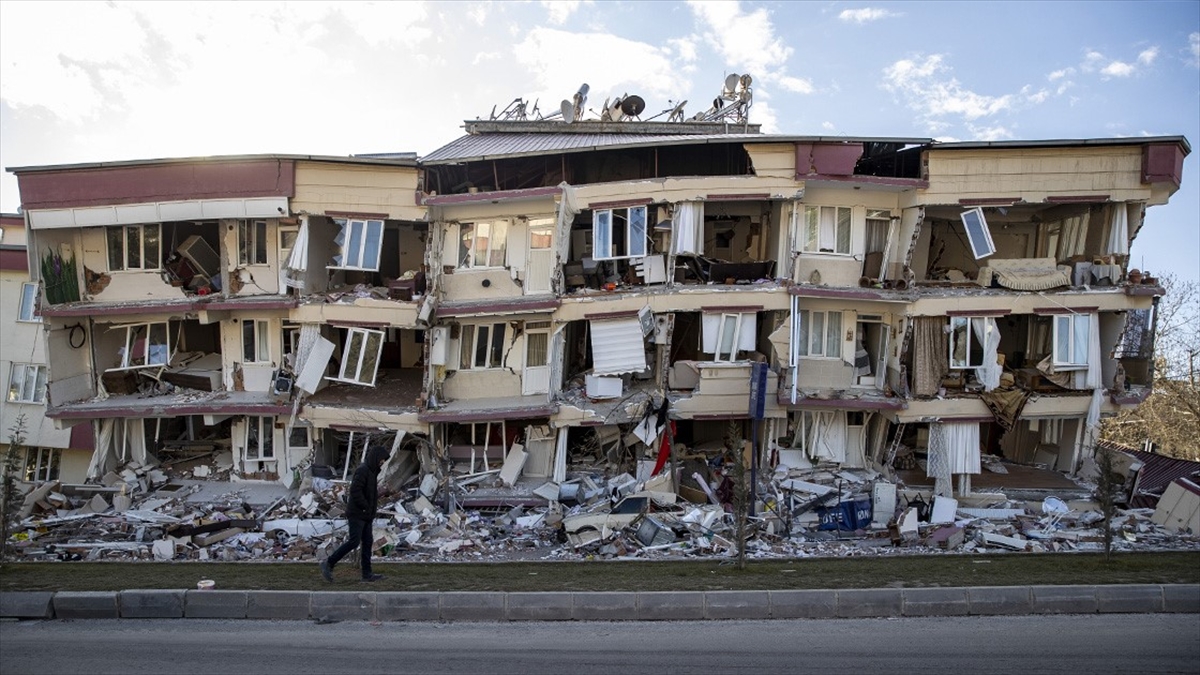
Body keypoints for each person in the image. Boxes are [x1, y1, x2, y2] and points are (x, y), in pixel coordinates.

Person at [321, 445, 391, 583]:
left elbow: (368, 493)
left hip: (367, 515)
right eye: (382, 459)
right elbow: (355, 491)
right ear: (376, 457)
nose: (382, 462)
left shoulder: (372, 472)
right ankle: (329, 563)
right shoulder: (363, 471)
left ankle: (367, 574)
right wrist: (365, 506)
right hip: (357, 514)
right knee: (354, 541)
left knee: (367, 543)